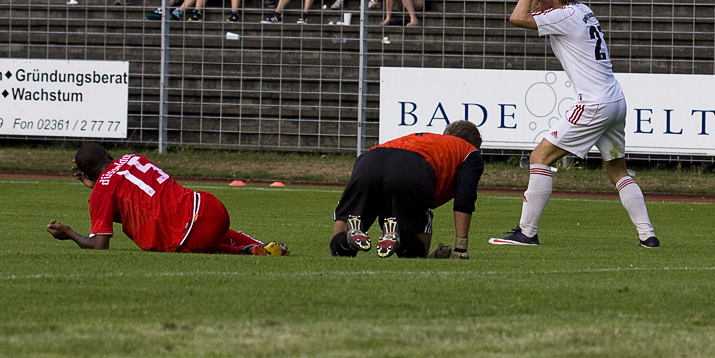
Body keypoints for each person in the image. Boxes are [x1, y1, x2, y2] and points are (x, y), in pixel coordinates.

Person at [489, 0, 659, 249]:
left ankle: (527, 233)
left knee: (539, 158)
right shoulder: (581, 10)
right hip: (615, 100)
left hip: (593, 103)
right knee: (617, 171)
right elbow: (531, 14)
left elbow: (517, 17)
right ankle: (648, 236)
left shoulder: (562, 15)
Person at [46, 142, 289, 255]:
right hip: (210, 206)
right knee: (202, 226)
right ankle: (264, 245)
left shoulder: (102, 192)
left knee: (191, 240)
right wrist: (96, 185)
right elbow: (130, 192)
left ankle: (244, 253)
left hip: (192, 233)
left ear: (86, 173)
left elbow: (99, 245)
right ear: (108, 153)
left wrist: (68, 233)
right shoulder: (134, 158)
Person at [330, 120, 484, 259]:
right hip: (411, 166)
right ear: (474, 144)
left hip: (369, 160)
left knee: (340, 248)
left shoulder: (424, 139)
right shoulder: (469, 151)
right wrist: (460, 248)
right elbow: (465, 197)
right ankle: (399, 238)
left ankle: (347, 239)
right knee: (416, 252)